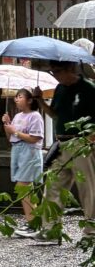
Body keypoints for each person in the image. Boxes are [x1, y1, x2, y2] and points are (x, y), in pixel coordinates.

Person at [38, 60, 95, 243]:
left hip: (82, 142)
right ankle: (51, 230)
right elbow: (55, 114)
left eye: (58, 71)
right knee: (52, 186)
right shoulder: (59, 89)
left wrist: (90, 139)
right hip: (61, 142)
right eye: (53, 71)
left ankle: (91, 232)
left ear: (71, 69)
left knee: (88, 189)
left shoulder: (88, 88)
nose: (55, 75)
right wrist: (39, 100)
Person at [1, 88, 45, 237]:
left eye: (20, 96)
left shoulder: (35, 116)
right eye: (16, 97)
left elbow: (35, 138)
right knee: (25, 187)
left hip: (30, 151)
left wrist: (14, 131)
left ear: (30, 100)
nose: (16, 99)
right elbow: (10, 138)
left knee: (23, 187)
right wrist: (7, 124)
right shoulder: (18, 116)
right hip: (18, 151)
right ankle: (33, 221)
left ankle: (32, 223)